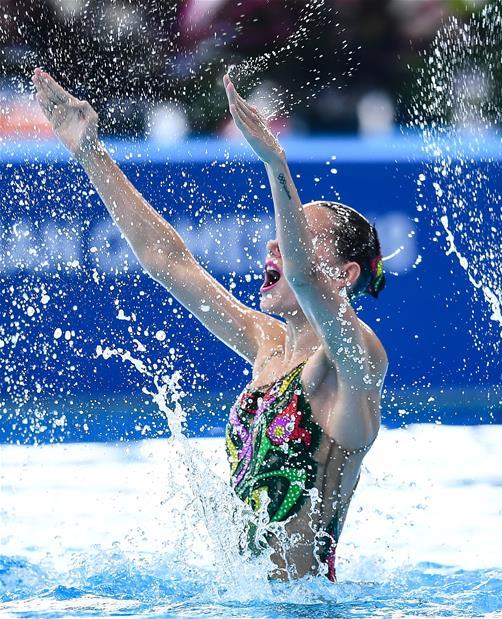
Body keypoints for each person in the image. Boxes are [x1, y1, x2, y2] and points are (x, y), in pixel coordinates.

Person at [31, 68, 388, 581]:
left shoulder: (354, 360)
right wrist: (89, 151)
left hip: (305, 610)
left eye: (295, 239)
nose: (274, 245)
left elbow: (308, 281)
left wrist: (276, 164)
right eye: (280, 238)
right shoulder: (268, 345)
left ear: (344, 274)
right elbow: (167, 259)